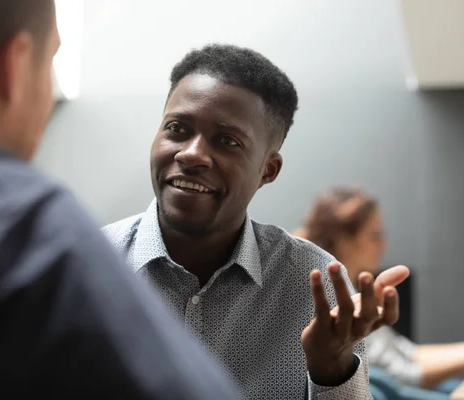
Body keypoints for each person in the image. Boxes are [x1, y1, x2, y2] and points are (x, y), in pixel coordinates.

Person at [0, 1, 241, 399]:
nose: (192, 156)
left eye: (228, 141)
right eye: (50, 58)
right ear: (14, 64)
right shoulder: (16, 226)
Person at [102, 43, 410, 399]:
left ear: (268, 169)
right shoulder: (88, 268)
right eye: (177, 128)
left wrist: (332, 368)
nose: (192, 154)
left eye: (227, 140)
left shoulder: (316, 285)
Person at [295, 186, 464, 395]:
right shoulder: (332, 302)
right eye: (375, 236)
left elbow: (407, 353)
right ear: (344, 240)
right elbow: (404, 375)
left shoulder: (352, 288)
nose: (384, 245)